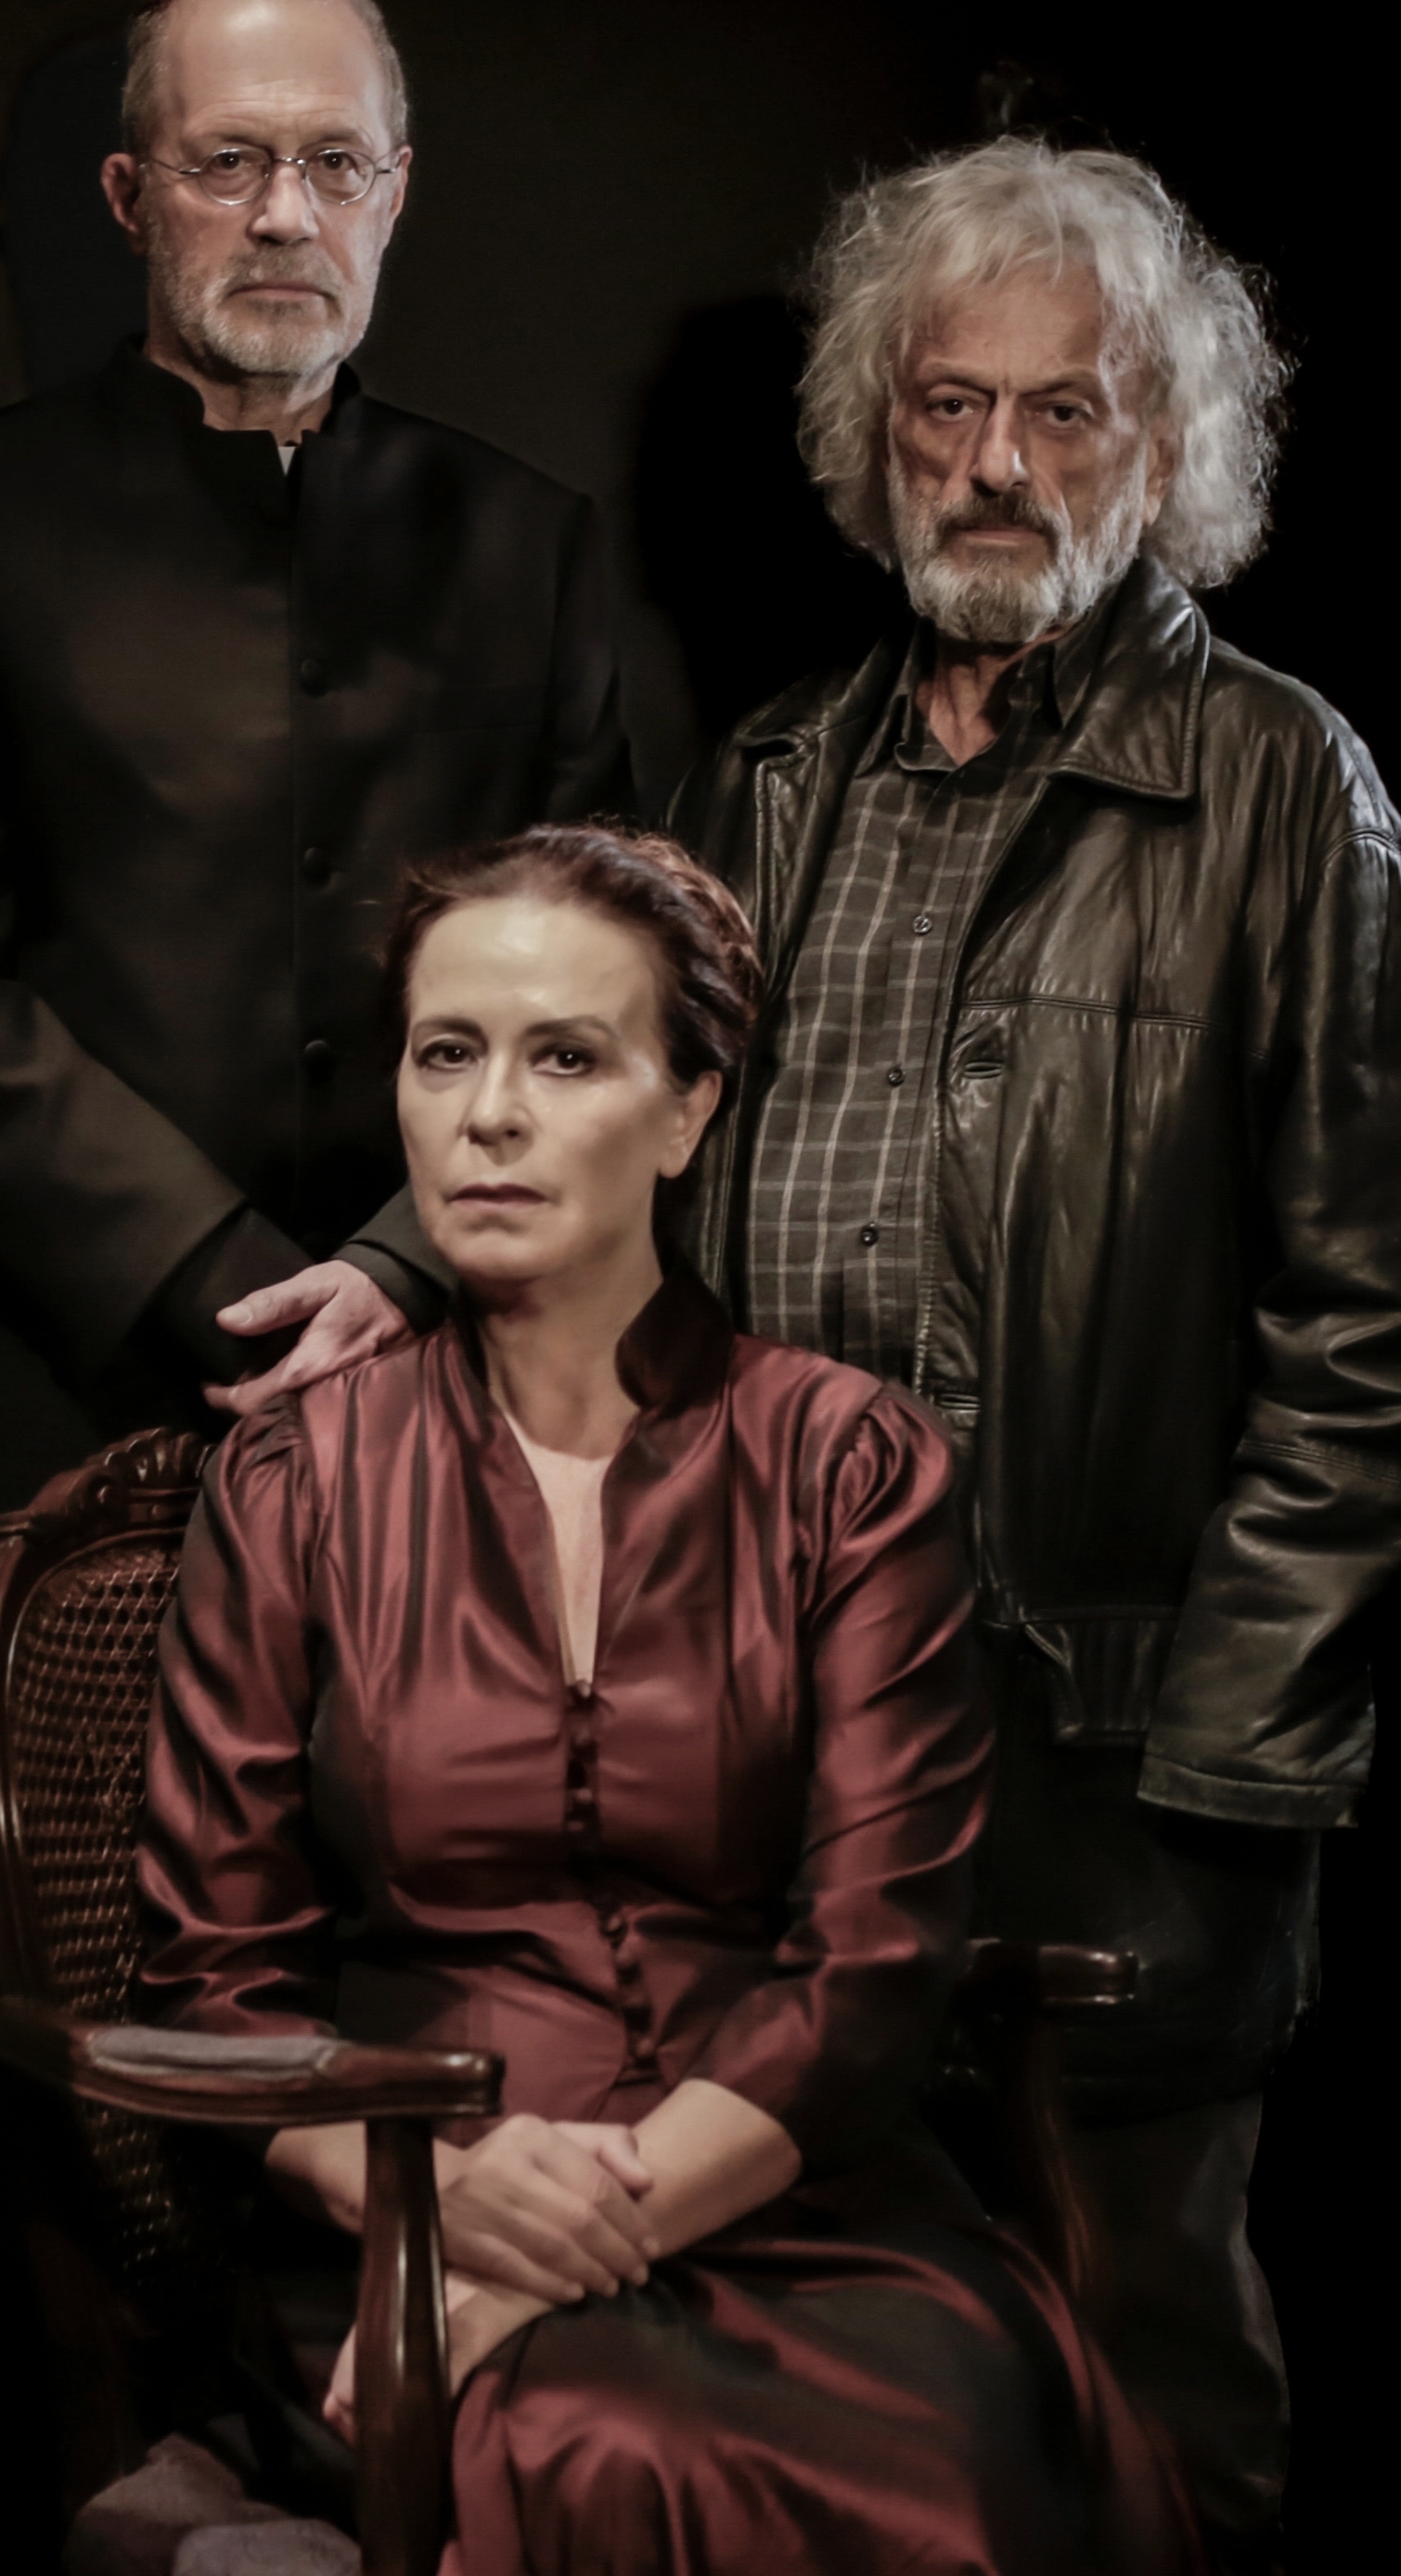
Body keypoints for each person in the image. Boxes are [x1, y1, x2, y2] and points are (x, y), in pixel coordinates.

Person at [669, 141, 1401, 2566]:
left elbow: (1398, 1330)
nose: (998, 464)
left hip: (1109, 1754)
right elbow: (601, 1161)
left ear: (1164, 448)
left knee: (1134, 2378)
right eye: (947, 405)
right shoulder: (761, 780)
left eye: (1064, 409)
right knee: (812, 2377)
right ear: (876, 433)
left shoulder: (1280, 784)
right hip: (769, 1742)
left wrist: (1218, 1750)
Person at [135, 823, 1194, 2573]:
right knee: (619, 2451)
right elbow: (213, 1976)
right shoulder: (296, 1478)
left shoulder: (849, 1461)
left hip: (796, 2194)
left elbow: (877, 1950)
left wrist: (579, 2235)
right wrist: (448, 2208)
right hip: (420, 2186)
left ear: (690, 1108)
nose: (488, 1116)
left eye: (566, 1058)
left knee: (952, 2468)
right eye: (445, 1053)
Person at [0, 0, 640, 1536]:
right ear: (129, 197)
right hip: (63, 1389)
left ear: (395, 195)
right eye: (229, 163)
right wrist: (226, 1277)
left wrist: (401, 1264)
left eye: (334, 165)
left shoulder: (526, 543)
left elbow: (600, 970)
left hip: (455, 1366)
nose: (284, 215)